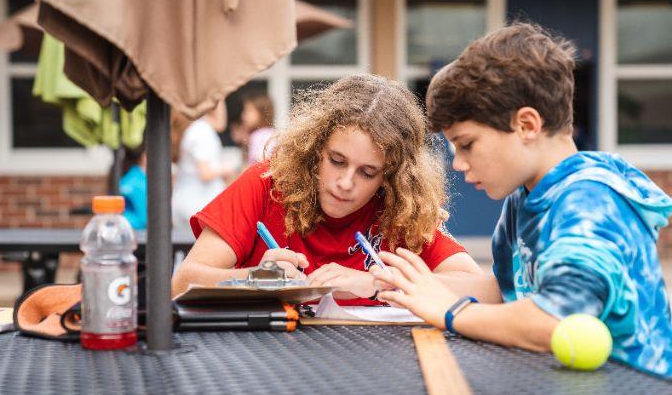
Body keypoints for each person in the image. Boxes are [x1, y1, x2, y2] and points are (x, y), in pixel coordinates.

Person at [370, 23, 672, 378]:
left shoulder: (590, 201)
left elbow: (553, 320)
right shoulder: (524, 197)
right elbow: (502, 290)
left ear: (527, 125)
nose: (457, 163)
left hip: (636, 385)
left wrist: (452, 312)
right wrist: (399, 285)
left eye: (467, 144)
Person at [171, 74, 485, 304]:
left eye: (367, 172)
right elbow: (182, 282)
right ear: (315, 148)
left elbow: (479, 286)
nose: (345, 183)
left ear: (391, 177)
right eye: (336, 161)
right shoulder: (266, 183)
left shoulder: (404, 208)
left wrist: (378, 282)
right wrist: (255, 278)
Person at [171, 101, 237, 230]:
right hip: (199, 207)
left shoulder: (192, 128)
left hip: (186, 204)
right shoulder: (201, 129)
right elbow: (205, 173)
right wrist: (229, 168)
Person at [240, 93, 276, 165]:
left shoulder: (258, 136)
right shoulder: (271, 133)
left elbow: (257, 165)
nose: (243, 115)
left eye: (248, 110)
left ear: (262, 112)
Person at [119, 144, 147, 230]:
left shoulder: (127, 177)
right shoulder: (140, 182)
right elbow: (145, 219)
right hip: (136, 233)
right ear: (143, 156)